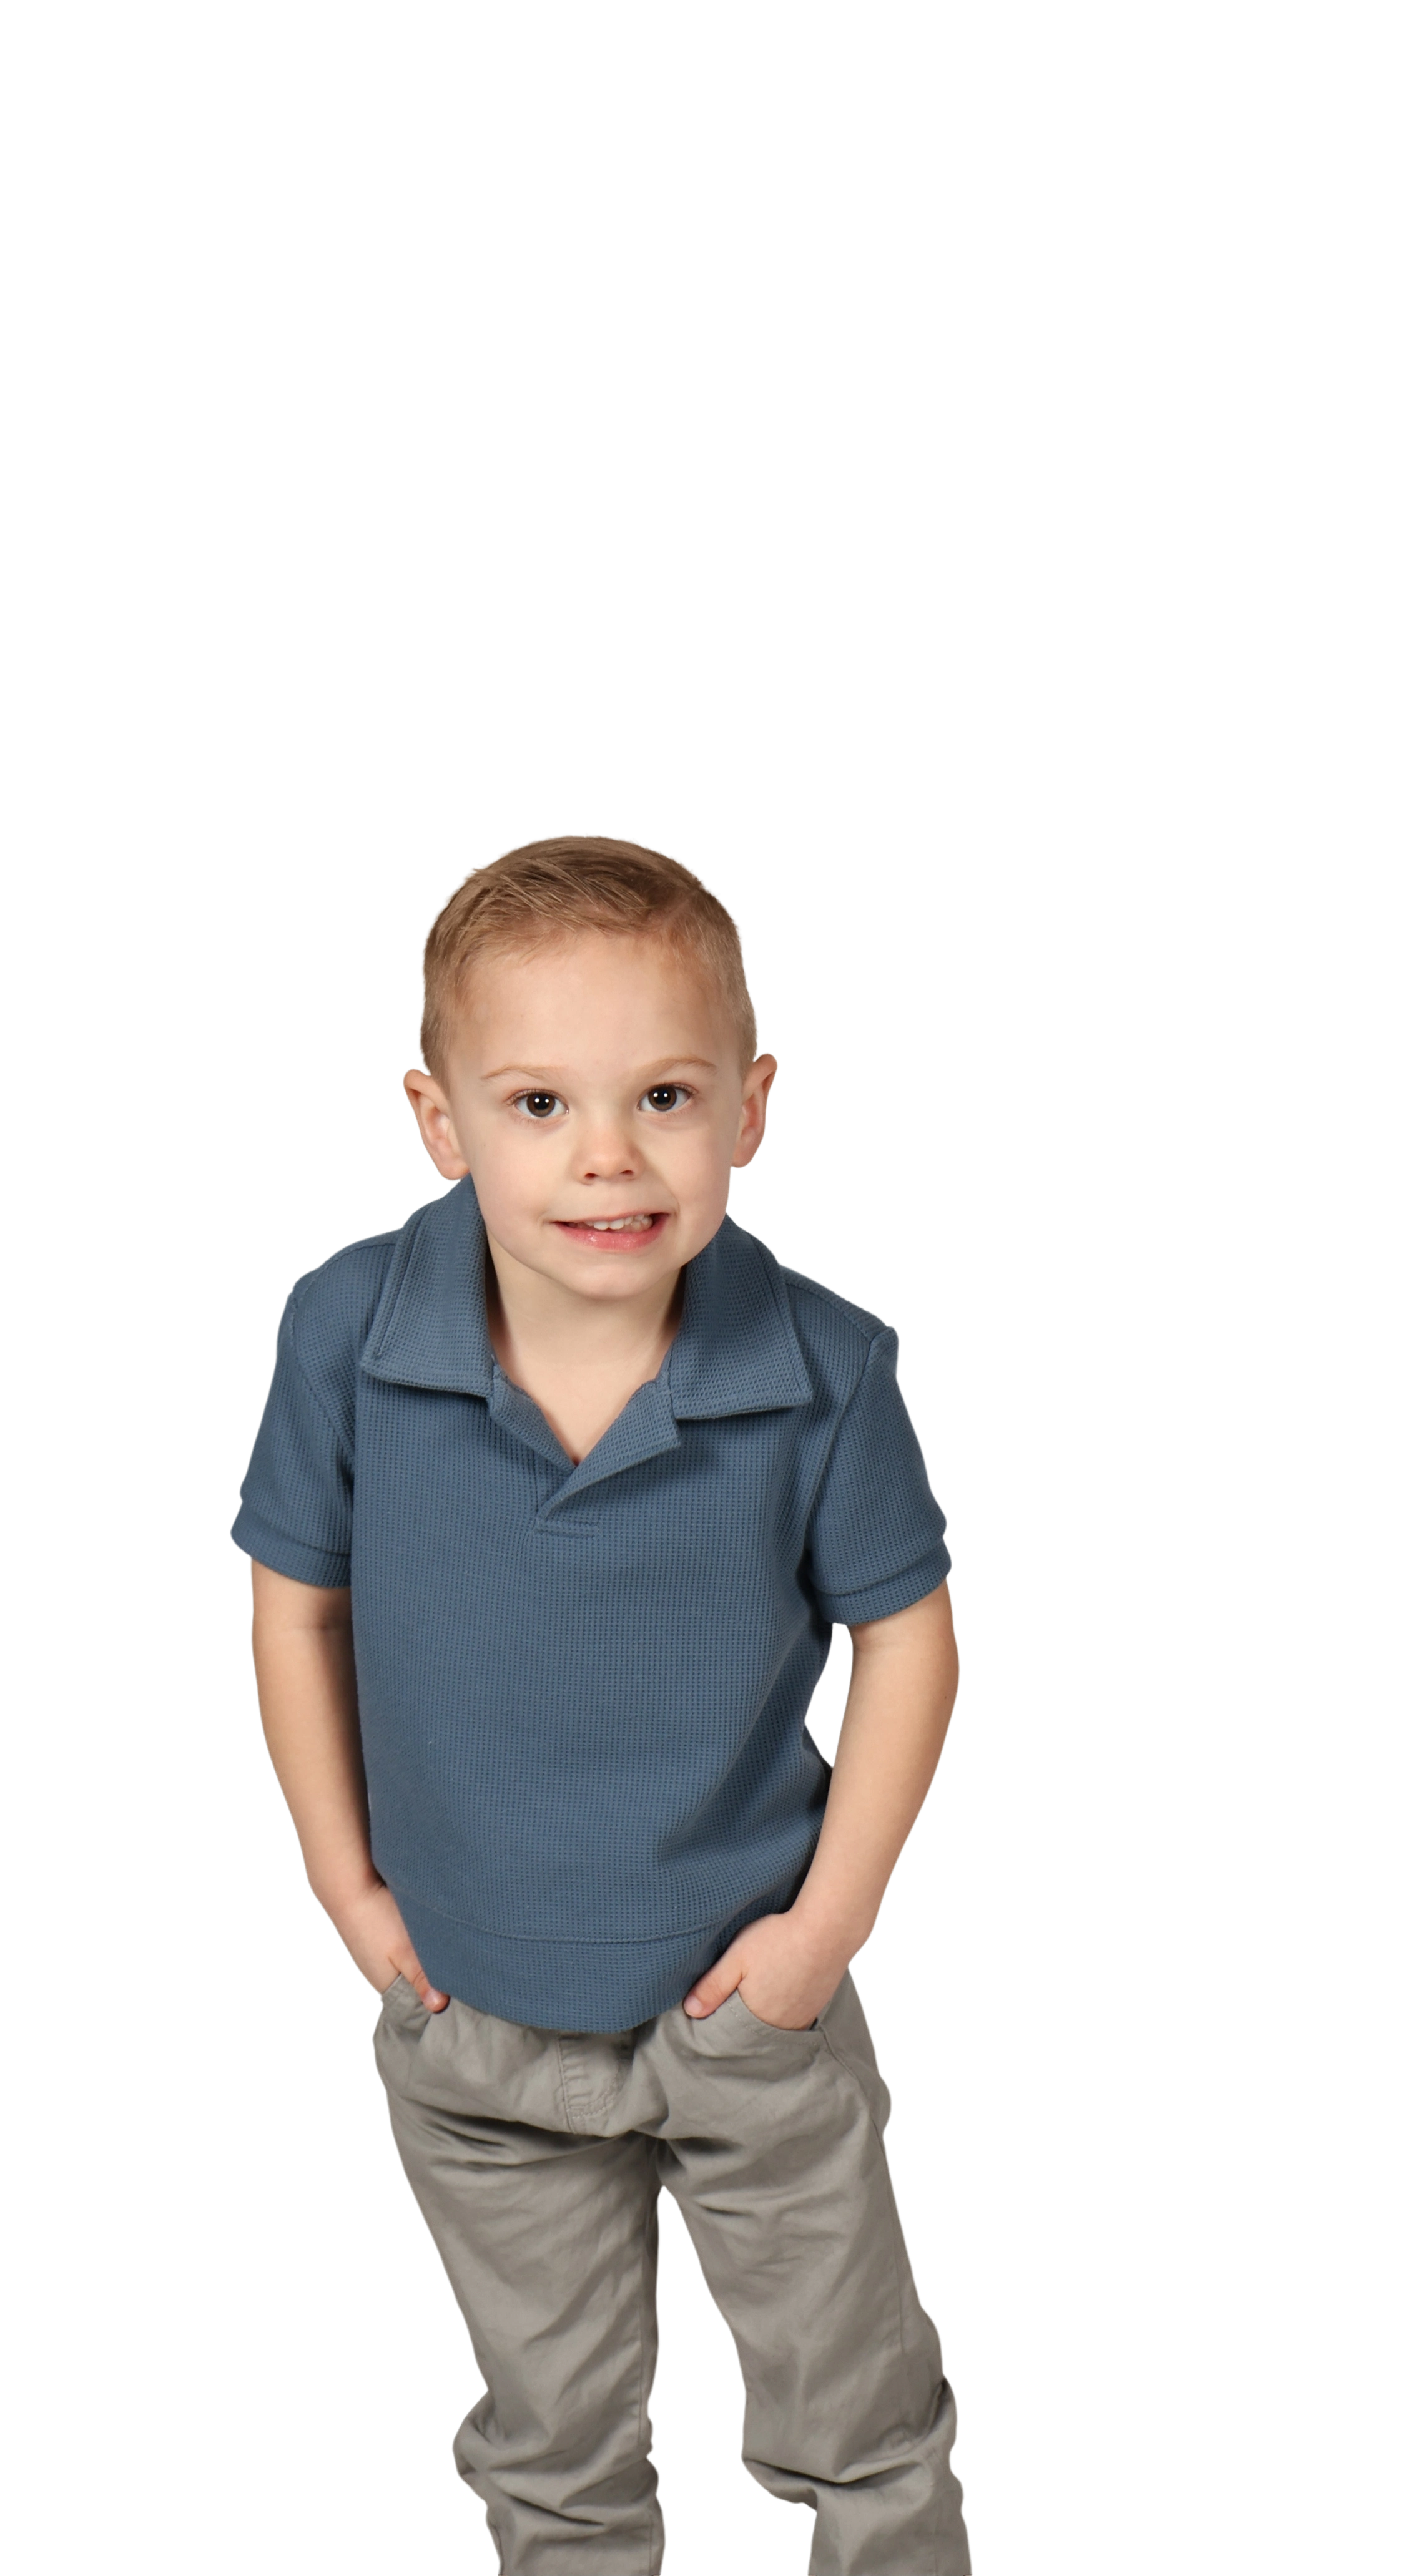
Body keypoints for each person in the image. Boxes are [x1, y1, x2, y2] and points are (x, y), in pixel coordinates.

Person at [226, 830, 975, 2576]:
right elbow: (296, 1604)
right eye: (539, 1103)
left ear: (751, 1108)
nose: (607, 1156)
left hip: (747, 2005)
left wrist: (820, 1934)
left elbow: (913, 1637)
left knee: (862, 2425)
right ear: (439, 1121)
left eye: (663, 1095)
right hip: (473, 2006)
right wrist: (347, 1888)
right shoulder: (348, 1326)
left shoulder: (824, 1365)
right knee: (557, 2455)